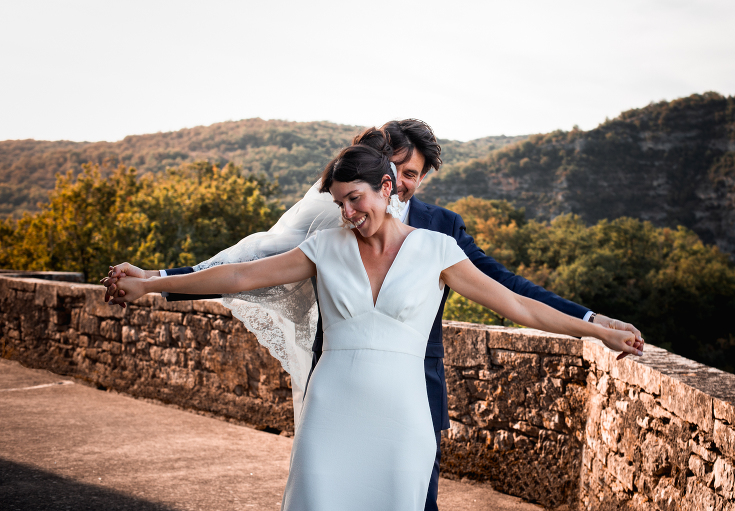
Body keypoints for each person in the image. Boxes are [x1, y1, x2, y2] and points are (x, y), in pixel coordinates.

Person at [103, 120, 643, 511]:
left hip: (409, 405)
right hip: (333, 405)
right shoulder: (326, 239)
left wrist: (595, 327)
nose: (401, 185)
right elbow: (244, 270)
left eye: (411, 175)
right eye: (396, 171)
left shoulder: (439, 240)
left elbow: (515, 297)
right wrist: (153, 282)